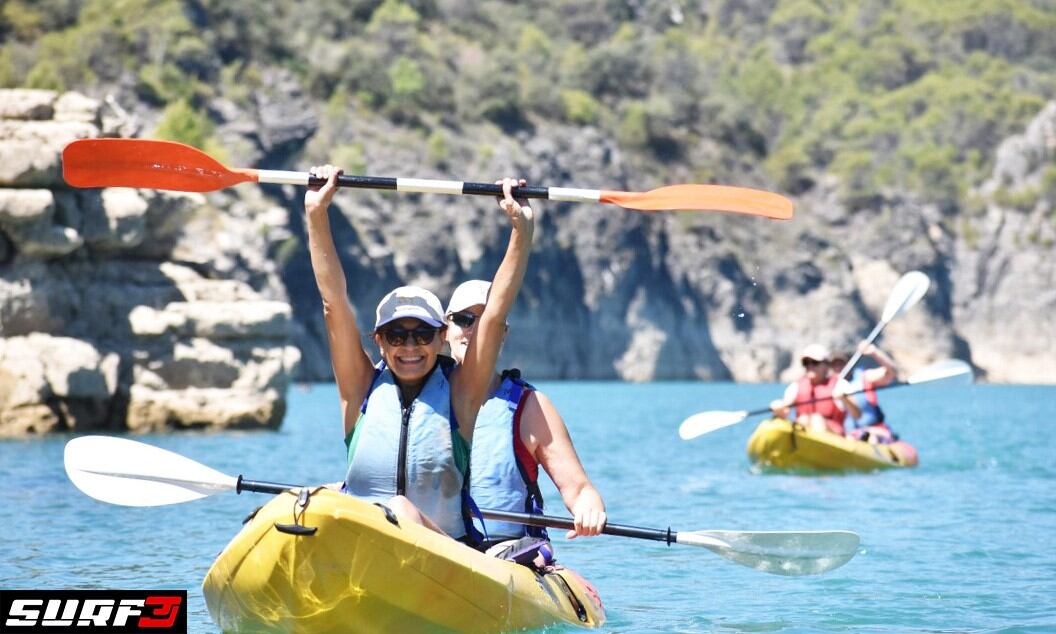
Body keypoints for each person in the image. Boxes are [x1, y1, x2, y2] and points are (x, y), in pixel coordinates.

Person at [304, 165, 533, 545]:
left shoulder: (461, 395)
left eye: (422, 334)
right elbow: (334, 303)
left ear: (442, 338)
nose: (410, 347)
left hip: (445, 559)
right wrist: (317, 213)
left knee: (402, 510)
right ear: (379, 341)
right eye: (397, 335)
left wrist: (520, 231)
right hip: (364, 551)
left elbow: (493, 316)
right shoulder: (359, 388)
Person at [443, 279, 607, 551]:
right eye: (463, 320)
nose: (474, 331)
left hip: (507, 554)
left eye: (486, 322)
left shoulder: (531, 408)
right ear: (445, 331)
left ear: (502, 333)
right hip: (436, 547)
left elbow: (580, 491)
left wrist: (589, 509)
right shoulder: (422, 399)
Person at [770, 344, 855, 435]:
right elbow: (785, 410)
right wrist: (779, 408)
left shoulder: (840, 385)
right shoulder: (795, 386)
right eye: (806, 363)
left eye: (815, 362)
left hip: (834, 436)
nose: (810, 366)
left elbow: (858, 415)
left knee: (816, 420)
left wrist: (845, 399)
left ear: (826, 365)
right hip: (804, 429)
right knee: (803, 419)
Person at [830, 342, 900, 444]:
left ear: (849, 363)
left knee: (872, 438)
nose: (838, 367)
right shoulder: (829, 385)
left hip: (873, 430)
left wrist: (874, 353)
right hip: (847, 434)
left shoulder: (863, 376)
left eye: (841, 363)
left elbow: (892, 373)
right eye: (834, 365)